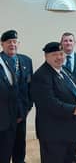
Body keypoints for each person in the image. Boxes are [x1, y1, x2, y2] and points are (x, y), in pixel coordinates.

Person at [30, 42, 76, 163]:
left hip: (69, 131)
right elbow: (49, 104)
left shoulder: (64, 70)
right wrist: (75, 109)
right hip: (54, 134)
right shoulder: (41, 76)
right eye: (54, 54)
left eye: (61, 54)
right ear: (46, 56)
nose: (59, 57)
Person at [0, 30, 33, 163]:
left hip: (21, 114)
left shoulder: (26, 60)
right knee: (4, 151)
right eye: (9, 42)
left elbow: (30, 87)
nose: (12, 44)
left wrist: (28, 107)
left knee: (20, 149)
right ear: (2, 44)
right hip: (3, 117)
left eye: (15, 42)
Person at [60, 32, 76, 162]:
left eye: (70, 40)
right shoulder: (57, 59)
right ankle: (65, 154)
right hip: (64, 106)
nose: (68, 43)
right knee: (64, 133)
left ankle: (73, 152)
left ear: (74, 43)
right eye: (65, 41)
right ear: (61, 43)